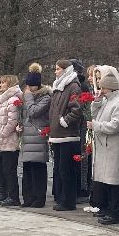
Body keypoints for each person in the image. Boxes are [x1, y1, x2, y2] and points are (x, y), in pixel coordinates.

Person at [88, 66, 119, 224]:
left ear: (110, 87)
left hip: (113, 147)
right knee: (104, 180)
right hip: (103, 146)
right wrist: (96, 102)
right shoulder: (106, 100)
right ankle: (105, 208)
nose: (101, 90)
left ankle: (116, 213)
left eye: (103, 87)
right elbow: (94, 115)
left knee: (113, 180)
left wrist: (96, 126)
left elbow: (115, 125)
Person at [48, 59, 84, 210]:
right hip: (58, 134)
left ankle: (69, 201)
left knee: (67, 169)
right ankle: (62, 198)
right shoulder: (59, 86)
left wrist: (65, 121)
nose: (55, 72)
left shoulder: (73, 86)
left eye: (58, 69)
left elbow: (77, 108)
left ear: (65, 70)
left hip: (68, 134)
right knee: (60, 169)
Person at [20, 71, 51, 207]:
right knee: (27, 169)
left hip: (38, 137)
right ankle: (28, 198)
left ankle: (39, 199)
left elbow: (33, 111)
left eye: (30, 85)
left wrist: (28, 97)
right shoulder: (27, 98)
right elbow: (24, 115)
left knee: (37, 169)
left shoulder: (45, 97)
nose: (27, 88)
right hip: (27, 137)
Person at [0, 74, 23, 206]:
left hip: (10, 141)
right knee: (6, 169)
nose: (0, 85)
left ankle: (14, 197)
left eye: (3, 82)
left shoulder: (12, 100)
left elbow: (12, 121)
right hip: (5, 140)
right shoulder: (5, 100)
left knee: (10, 170)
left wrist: (2, 133)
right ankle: (10, 195)